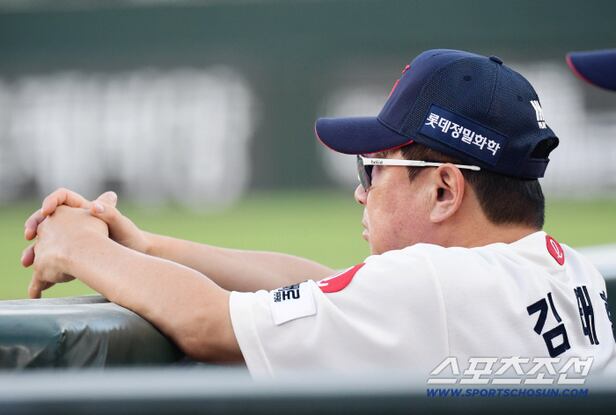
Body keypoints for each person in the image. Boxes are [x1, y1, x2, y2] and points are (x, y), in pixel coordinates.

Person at [21, 49, 615, 379]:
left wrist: (79, 246)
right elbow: (327, 287)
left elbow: (208, 323)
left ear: (443, 190)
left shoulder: (432, 286)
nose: (361, 191)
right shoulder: (566, 270)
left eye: (373, 168)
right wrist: (147, 247)